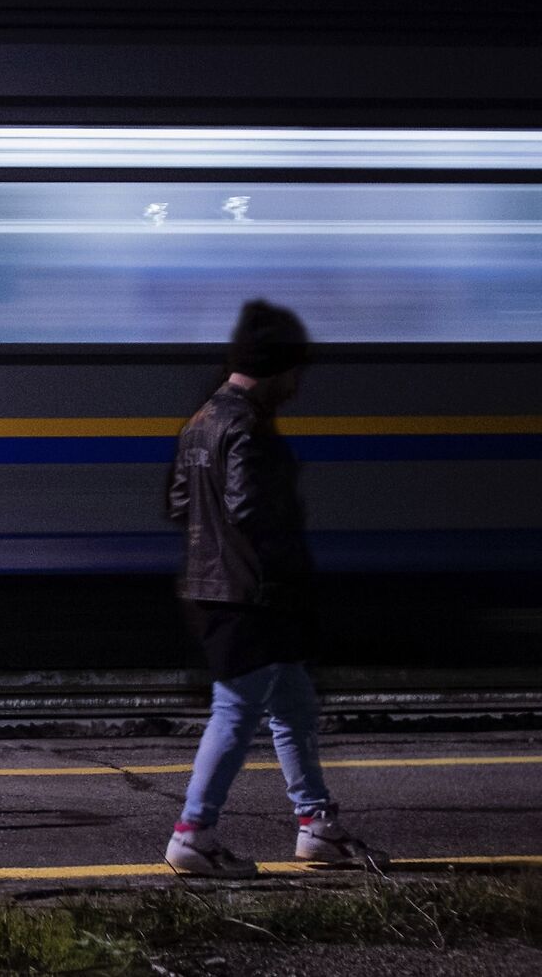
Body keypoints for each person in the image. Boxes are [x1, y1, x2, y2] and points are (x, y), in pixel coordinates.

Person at [162, 299, 386, 876]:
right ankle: (193, 832)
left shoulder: (201, 420)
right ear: (277, 369)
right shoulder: (246, 426)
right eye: (294, 373)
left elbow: (179, 504)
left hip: (214, 587)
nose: (296, 386)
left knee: (293, 705)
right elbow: (251, 508)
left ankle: (316, 825)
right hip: (251, 594)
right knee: (236, 713)